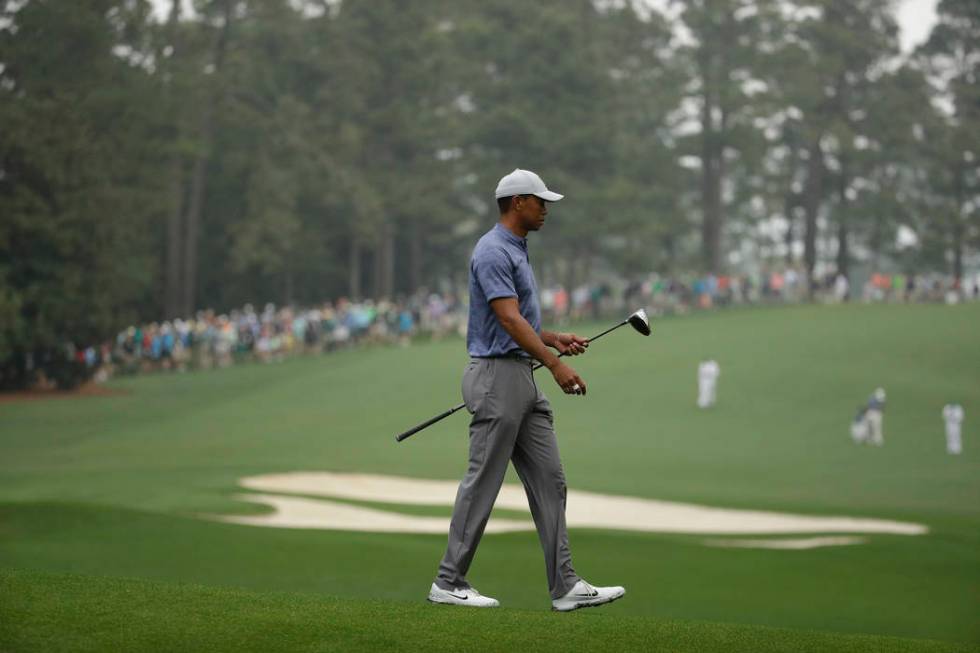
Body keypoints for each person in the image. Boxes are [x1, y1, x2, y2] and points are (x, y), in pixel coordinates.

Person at [427, 169, 625, 612]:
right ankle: (448, 579)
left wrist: (552, 339)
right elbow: (508, 320)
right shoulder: (493, 250)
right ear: (517, 202)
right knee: (483, 482)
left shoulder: (515, 249)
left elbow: (522, 323)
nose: (546, 208)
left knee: (550, 481)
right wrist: (555, 364)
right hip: (498, 378)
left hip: (521, 378)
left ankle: (566, 585)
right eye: (540, 201)